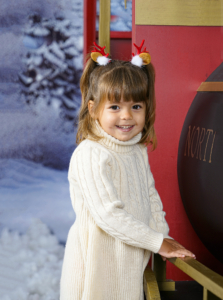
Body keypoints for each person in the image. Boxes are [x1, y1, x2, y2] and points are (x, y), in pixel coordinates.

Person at [60, 40, 196, 300]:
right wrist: (157, 242)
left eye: (136, 106)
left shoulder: (136, 150)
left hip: (129, 261)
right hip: (97, 266)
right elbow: (108, 215)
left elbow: (150, 198)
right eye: (114, 107)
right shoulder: (91, 153)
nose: (126, 116)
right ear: (93, 109)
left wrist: (163, 238)